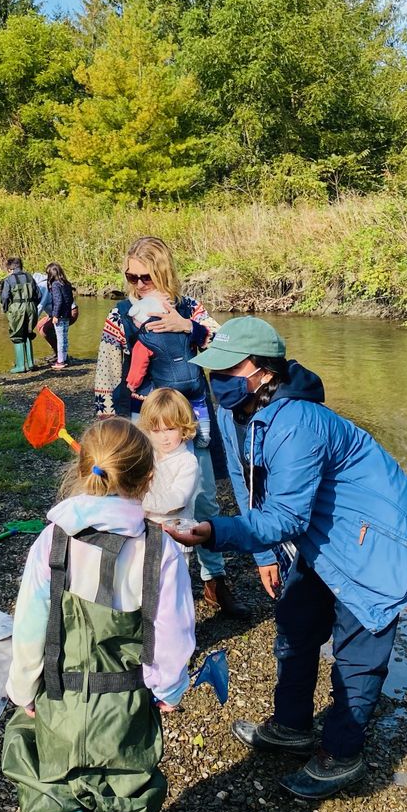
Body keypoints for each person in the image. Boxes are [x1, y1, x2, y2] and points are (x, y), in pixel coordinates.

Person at [169, 316, 407, 799]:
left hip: (376, 545)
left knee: (356, 658)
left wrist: (215, 532)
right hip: (321, 538)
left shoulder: (297, 422)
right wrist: (264, 554)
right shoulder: (245, 414)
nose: (217, 382)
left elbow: (285, 517)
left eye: (227, 371)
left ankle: (343, 753)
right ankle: (292, 727)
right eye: (213, 371)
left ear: (263, 372)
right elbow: (249, 486)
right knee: (296, 627)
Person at [2, 417, 195, 812]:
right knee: (125, 809)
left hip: (59, 707)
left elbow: (29, 629)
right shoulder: (162, 549)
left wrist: (24, 690)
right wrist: (169, 690)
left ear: (82, 470)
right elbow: (172, 637)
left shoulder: (51, 542)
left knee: (51, 794)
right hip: (126, 712)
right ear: (147, 479)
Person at [93, 236, 247, 619]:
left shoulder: (191, 308)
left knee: (206, 498)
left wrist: (189, 328)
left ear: (162, 272)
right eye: (131, 277)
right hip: (142, 421)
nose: (137, 285)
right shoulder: (121, 315)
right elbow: (107, 371)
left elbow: (226, 344)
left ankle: (214, 581)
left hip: (192, 418)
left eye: (144, 277)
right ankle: (144, 585)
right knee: (141, 502)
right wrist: (107, 425)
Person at [124, 292, 210, 445]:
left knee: (166, 410)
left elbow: (138, 368)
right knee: (199, 405)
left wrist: (132, 384)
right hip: (195, 380)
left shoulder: (144, 339)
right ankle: (204, 436)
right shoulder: (181, 328)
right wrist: (190, 326)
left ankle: (148, 440)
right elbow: (205, 338)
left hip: (168, 387)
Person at [137, 389, 201, 534]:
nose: (163, 438)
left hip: (175, 536)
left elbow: (177, 501)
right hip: (144, 532)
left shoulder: (187, 462)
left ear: (183, 426)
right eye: (156, 431)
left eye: (170, 429)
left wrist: (139, 500)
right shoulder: (145, 455)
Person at [0, 257, 41, 374]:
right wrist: (32, 305)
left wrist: (6, 308)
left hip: (17, 309)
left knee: (17, 335)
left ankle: (20, 366)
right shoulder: (30, 277)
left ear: (10, 269)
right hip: (31, 308)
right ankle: (31, 364)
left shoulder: (9, 280)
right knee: (28, 333)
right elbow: (39, 294)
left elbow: (5, 297)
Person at [45, 262, 74, 370]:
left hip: (60, 315)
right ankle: (65, 358)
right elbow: (70, 299)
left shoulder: (55, 285)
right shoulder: (66, 283)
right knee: (65, 337)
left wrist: (55, 315)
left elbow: (58, 301)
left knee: (60, 338)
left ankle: (60, 361)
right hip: (67, 313)